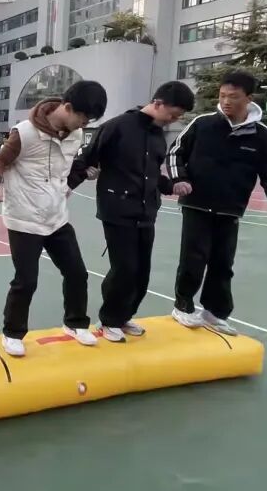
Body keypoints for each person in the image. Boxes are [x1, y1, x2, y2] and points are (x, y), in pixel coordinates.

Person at [0, 80, 108, 357]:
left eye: (89, 121)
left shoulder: (75, 135)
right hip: (24, 219)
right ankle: (12, 333)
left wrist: (81, 174)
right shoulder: (25, 133)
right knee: (26, 280)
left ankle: (75, 324)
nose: (84, 124)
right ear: (68, 107)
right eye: (83, 117)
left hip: (56, 217)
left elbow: (63, 170)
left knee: (77, 273)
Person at [167, 69, 267, 334]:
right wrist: (180, 178)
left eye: (233, 97)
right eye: (222, 95)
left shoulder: (260, 134)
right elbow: (175, 152)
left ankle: (214, 312)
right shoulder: (202, 124)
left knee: (223, 263)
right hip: (197, 203)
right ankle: (182, 306)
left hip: (230, 208)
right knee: (193, 259)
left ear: (249, 98)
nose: (226, 101)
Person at [73, 81, 196, 340]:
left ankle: (124, 316)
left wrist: (172, 186)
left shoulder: (157, 136)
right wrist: (76, 178)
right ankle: (109, 320)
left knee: (141, 272)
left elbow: (151, 175)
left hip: (146, 212)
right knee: (125, 269)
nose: (173, 121)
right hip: (117, 209)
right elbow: (87, 157)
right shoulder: (116, 127)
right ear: (158, 103)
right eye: (172, 115)